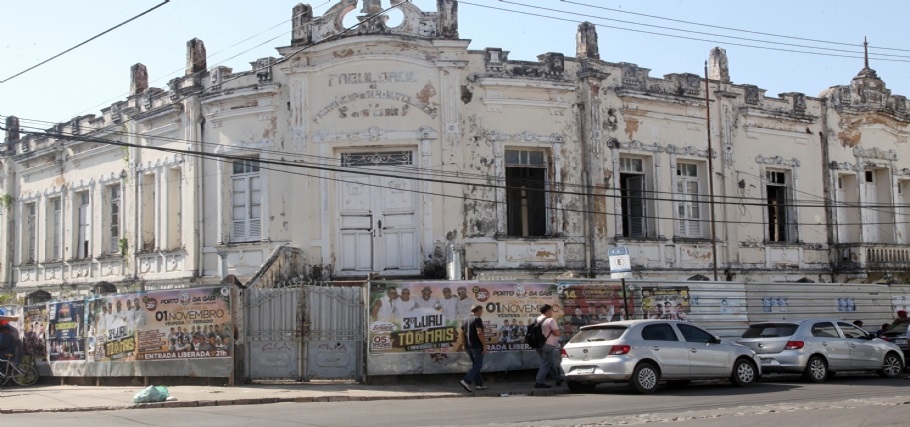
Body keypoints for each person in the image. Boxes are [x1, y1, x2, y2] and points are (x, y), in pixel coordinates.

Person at [458, 304, 487, 392]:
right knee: (478, 365)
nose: (482, 313)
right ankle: (466, 380)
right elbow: (479, 332)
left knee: (475, 365)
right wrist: (484, 345)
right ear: (478, 310)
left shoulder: (465, 319)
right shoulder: (477, 319)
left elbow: (462, 333)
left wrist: (463, 343)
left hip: (468, 346)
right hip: (476, 346)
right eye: (481, 311)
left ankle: (479, 384)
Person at [534, 304, 564, 388]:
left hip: (538, 344)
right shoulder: (550, 320)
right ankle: (539, 381)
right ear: (547, 311)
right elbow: (556, 333)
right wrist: (561, 331)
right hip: (548, 344)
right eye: (551, 310)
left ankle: (558, 379)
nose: (551, 312)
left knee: (549, 362)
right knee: (546, 363)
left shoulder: (537, 319)